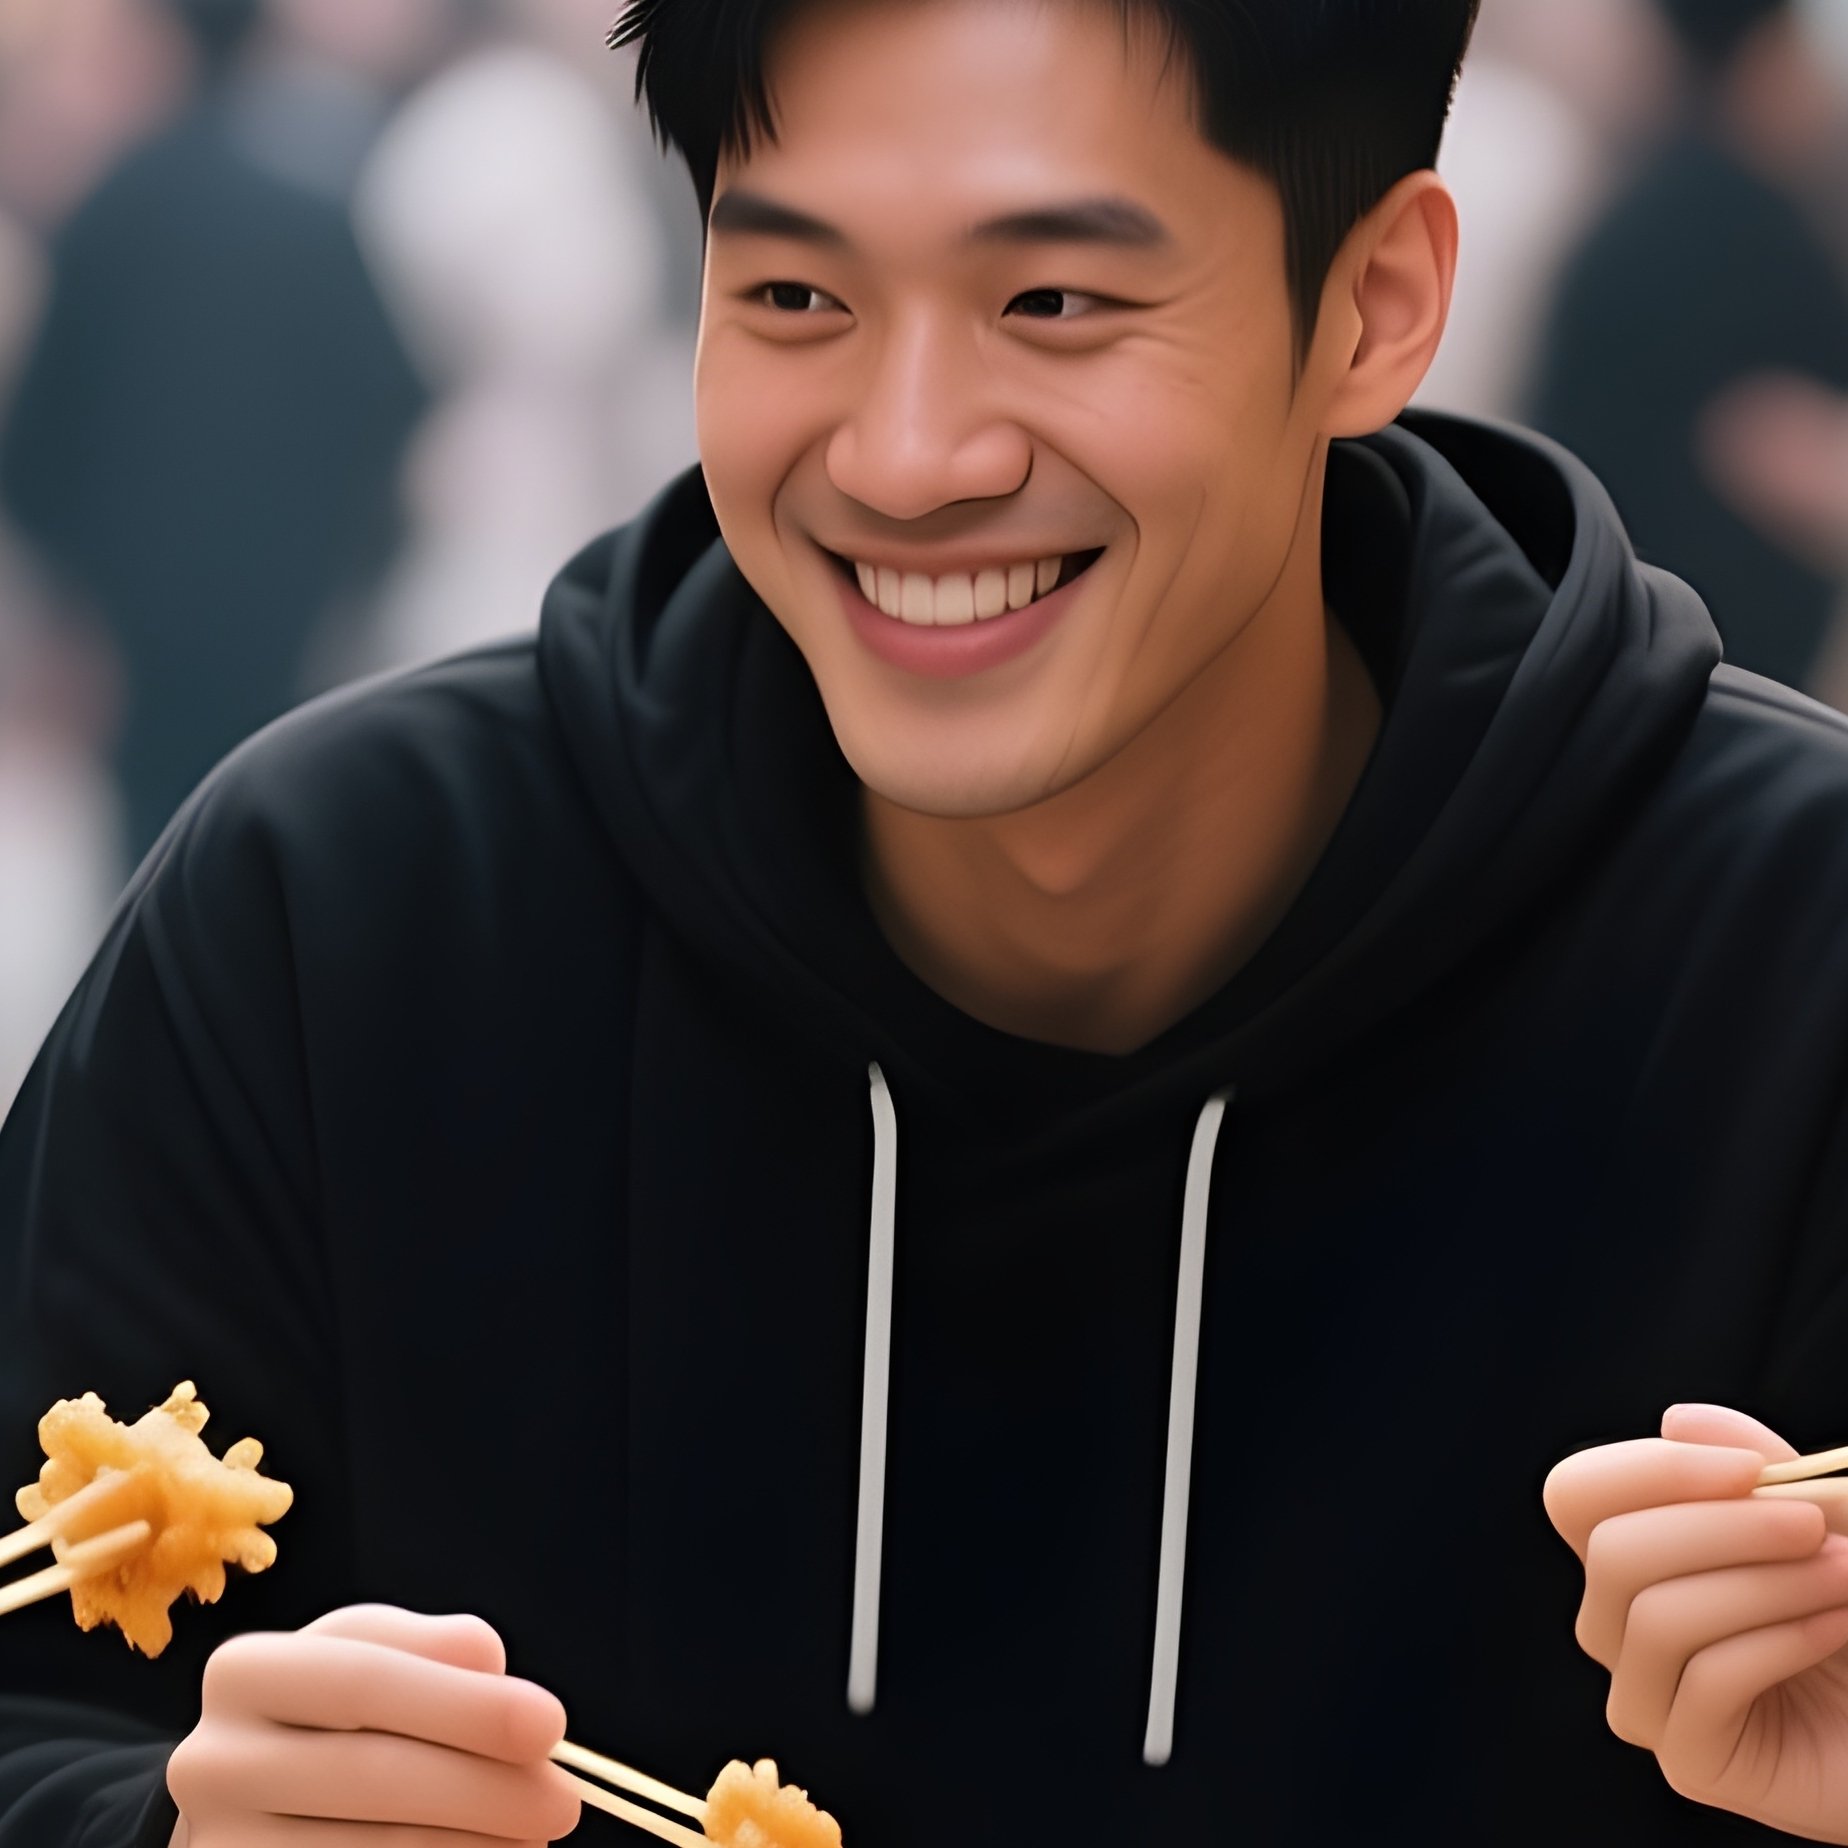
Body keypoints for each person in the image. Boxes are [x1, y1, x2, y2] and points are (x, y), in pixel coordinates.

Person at [8, 0, 1848, 1842]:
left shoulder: (1788, 951)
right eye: (795, 299)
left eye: (1051, 304)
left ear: (1370, 302)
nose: (903, 458)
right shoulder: (342, 914)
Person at [0, 0, 427, 863]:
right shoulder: (315, 216)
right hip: (290, 641)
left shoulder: (111, 210)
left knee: (151, 888)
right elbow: (394, 402)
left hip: (141, 649)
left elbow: (36, 441)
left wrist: (75, 602)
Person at [1528, 0, 1848, 692]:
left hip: (1594, 646)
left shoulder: (1640, 211)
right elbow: (1784, 450)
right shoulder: (1756, 235)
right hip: (1717, 683)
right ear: (1767, 55)